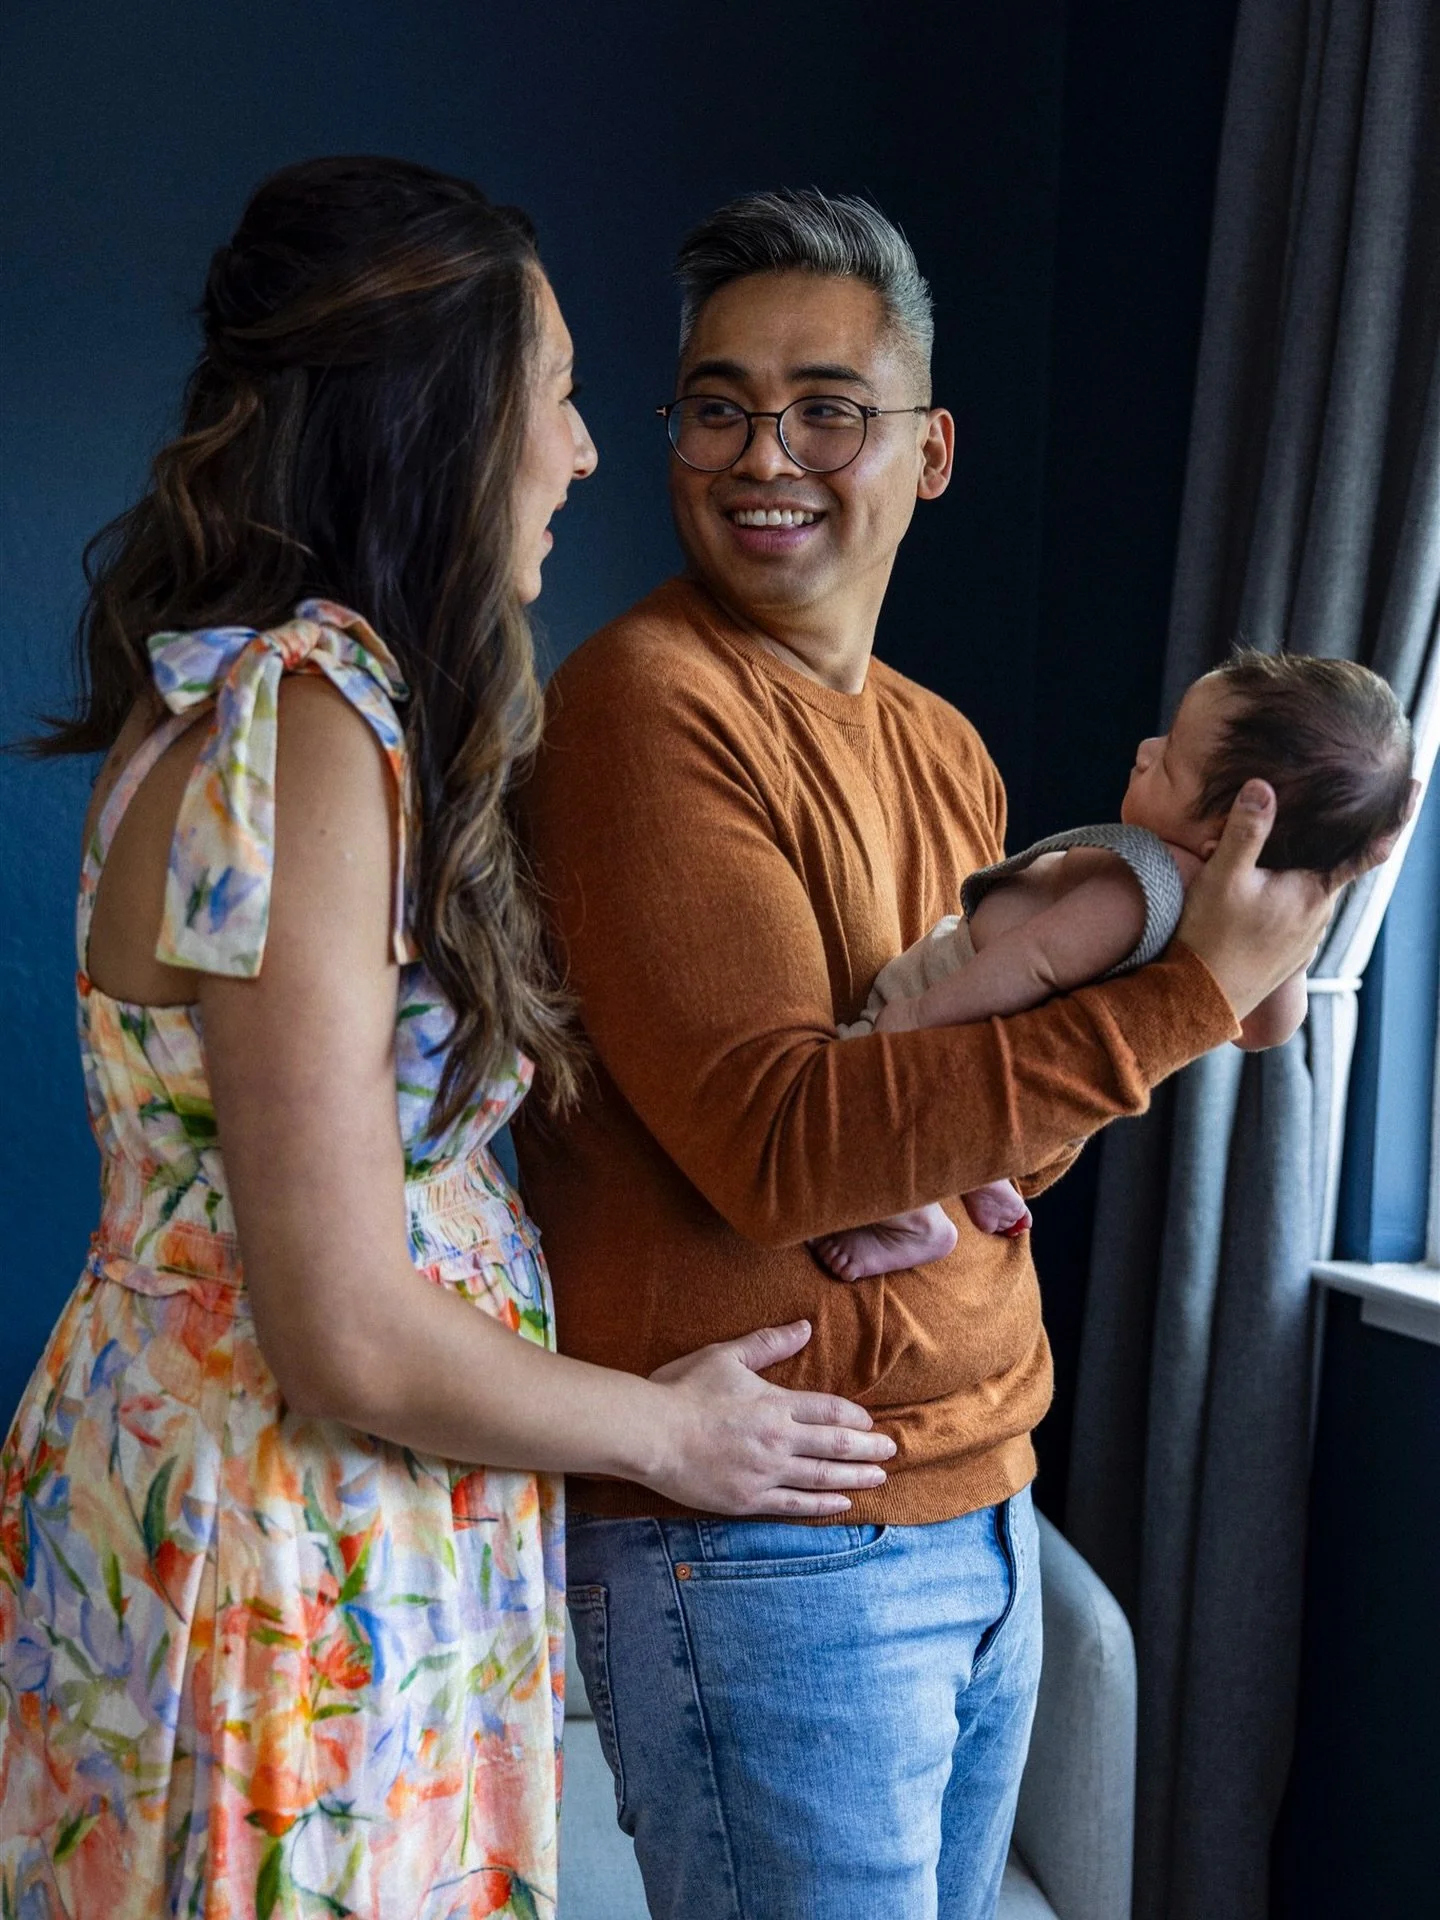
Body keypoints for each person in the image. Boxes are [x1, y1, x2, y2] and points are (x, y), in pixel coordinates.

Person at [0, 159, 895, 1920]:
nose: (577, 450)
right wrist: (663, 1433)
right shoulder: (309, 719)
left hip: (279, 1508)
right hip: (294, 1528)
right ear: (441, 414)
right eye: (552, 394)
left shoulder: (258, 699)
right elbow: (336, 1324)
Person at [513, 189, 1371, 1920]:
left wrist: (1154, 1025)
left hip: (982, 1509)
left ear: (935, 451)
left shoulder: (945, 749)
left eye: (830, 407)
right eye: (717, 403)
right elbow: (785, 1148)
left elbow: (1014, 1135)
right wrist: (1191, 999)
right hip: (767, 1546)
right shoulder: (643, 707)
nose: (769, 453)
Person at [814, 648, 1417, 1280]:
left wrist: (924, 1011)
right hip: (1015, 1072)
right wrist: (1289, 956)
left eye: (1173, 762)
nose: (1147, 749)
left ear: (1226, 832)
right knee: (949, 1109)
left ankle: (915, 1221)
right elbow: (1264, 1028)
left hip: (957, 991)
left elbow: (1036, 964)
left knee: (864, 1095)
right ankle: (979, 1171)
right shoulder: (1218, 926)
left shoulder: (1141, 880)